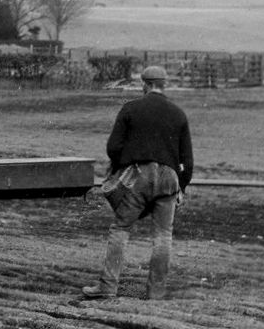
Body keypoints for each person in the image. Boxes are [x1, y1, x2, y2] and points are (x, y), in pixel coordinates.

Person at [83, 65, 194, 300]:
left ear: (144, 84)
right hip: (169, 179)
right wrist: (181, 187)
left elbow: (113, 148)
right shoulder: (178, 113)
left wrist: (124, 166)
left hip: (138, 176)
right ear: (165, 85)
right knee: (163, 235)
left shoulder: (130, 109)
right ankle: (156, 292)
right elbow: (187, 160)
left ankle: (107, 287)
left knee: (121, 228)